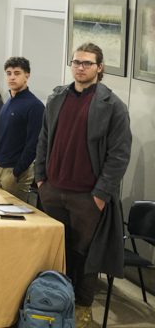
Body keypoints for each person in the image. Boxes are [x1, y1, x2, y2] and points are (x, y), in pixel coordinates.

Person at [35, 43, 132, 326]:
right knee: (54, 251)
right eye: (76, 62)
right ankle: (52, 304)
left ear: (99, 68)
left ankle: (82, 309)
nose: (80, 67)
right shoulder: (57, 98)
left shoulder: (113, 106)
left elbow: (119, 155)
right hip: (53, 190)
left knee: (85, 256)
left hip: (87, 197)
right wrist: (41, 178)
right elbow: (43, 139)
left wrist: (100, 196)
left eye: (87, 63)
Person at [0, 56, 45, 200]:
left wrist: (16, 172)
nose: (12, 77)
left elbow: (34, 144)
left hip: (15, 171)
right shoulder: (8, 102)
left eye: (17, 73)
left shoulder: (35, 106)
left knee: (10, 218)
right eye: (9, 73)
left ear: (27, 75)